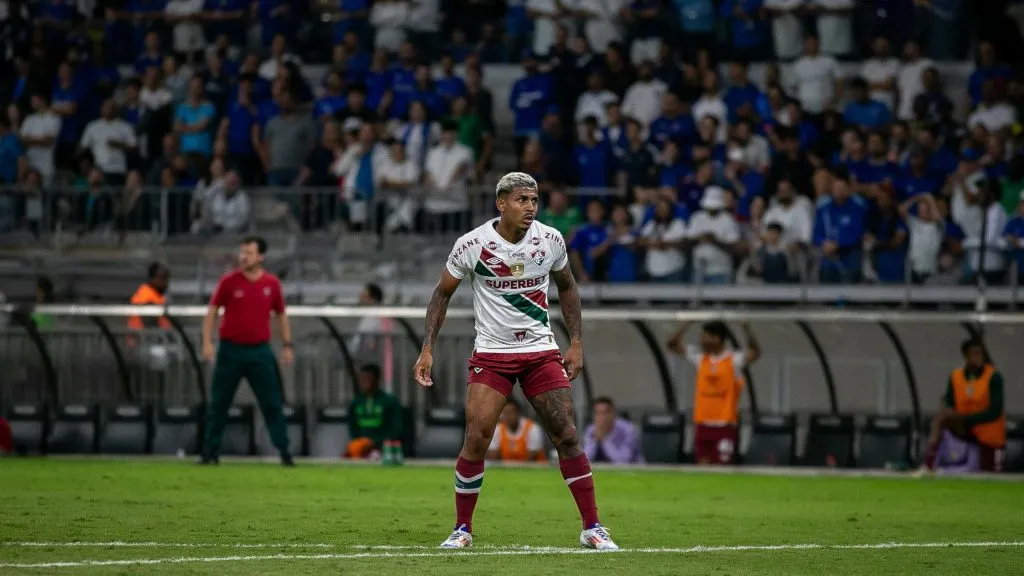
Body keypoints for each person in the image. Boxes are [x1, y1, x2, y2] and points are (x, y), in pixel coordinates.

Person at [413, 172, 618, 550]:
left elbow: (568, 286)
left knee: (568, 435)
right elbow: (441, 295)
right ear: (501, 203)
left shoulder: (550, 239)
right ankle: (462, 529)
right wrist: (427, 348)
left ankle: (592, 526)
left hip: (540, 352)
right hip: (492, 355)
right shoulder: (472, 244)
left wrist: (576, 343)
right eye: (522, 200)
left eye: (535, 200)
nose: (530, 207)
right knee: (476, 438)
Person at [200, 236, 295, 466]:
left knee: (271, 402)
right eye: (243, 252)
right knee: (219, 403)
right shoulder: (229, 282)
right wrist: (207, 342)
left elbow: (281, 315)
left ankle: (284, 452)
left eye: (250, 253)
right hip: (230, 350)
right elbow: (212, 311)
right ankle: (210, 452)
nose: (244, 257)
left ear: (261, 256)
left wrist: (287, 344)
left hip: (259, 351)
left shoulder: (271, 284)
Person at [666, 320, 760, 465]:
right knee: (702, 465)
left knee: (722, 466)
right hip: (703, 424)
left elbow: (755, 353)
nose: (702, 341)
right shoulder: (700, 358)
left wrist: (746, 328)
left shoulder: (733, 360)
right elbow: (671, 344)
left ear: (717, 339)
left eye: (706, 337)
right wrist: (687, 324)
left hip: (724, 425)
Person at [919, 339, 1005, 474]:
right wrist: (950, 412)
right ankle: (928, 464)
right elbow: (949, 402)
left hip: (986, 432)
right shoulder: (955, 376)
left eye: (980, 354)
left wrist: (966, 419)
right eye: (974, 354)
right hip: (963, 428)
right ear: (966, 356)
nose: (979, 358)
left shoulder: (994, 377)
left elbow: (995, 411)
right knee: (941, 419)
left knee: (989, 475)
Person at [346, 364, 404, 461]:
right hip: (360, 449)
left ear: (376, 379)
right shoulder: (355, 403)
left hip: (383, 449)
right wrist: (359, 444)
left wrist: (375, 443)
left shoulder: (390, 402)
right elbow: (353, 428)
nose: (364, 382)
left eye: (368, 378)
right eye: (362, 379)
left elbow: (396, 430)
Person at [583, 397, 644, 464]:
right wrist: (595, 440)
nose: (601, 417)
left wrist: (604, 440)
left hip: (635, 471)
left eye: (605, 413)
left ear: (613, 414)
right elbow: (585, 460)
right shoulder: (591, 430)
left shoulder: (628, 430)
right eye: (598, 413)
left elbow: (624, 462)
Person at [486, 398, 546, 462]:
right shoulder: (498, 429)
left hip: (533, 470)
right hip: (506, 471)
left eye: (511, 413)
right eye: (505, 413)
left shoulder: (532, 428)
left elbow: (531, 459)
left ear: (518, 413)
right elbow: (493, 459)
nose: (508, 417)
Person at [128, 262, 172, 331]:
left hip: (155, 337)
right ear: (152, 278)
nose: (165, 283)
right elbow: (150, 324)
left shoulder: (157, 294)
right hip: (142, 338)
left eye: (166, 279)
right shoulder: (146, 295)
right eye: (162, 278)